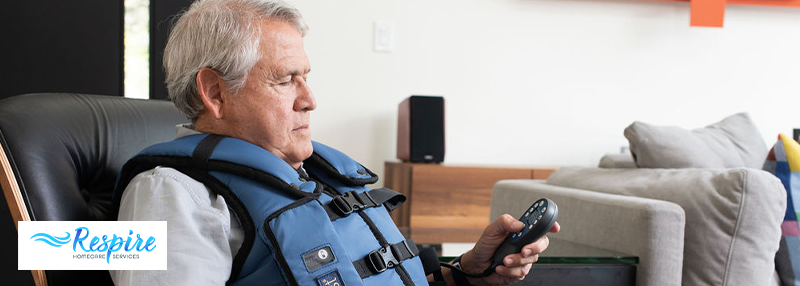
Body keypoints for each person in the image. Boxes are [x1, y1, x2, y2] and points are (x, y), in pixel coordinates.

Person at [111, 0, 560, 285]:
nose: (310, 100)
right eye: (286, 80)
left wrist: (467, 273)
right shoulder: (171, 193)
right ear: (215, 93)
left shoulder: (317, 176)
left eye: (306, 78)